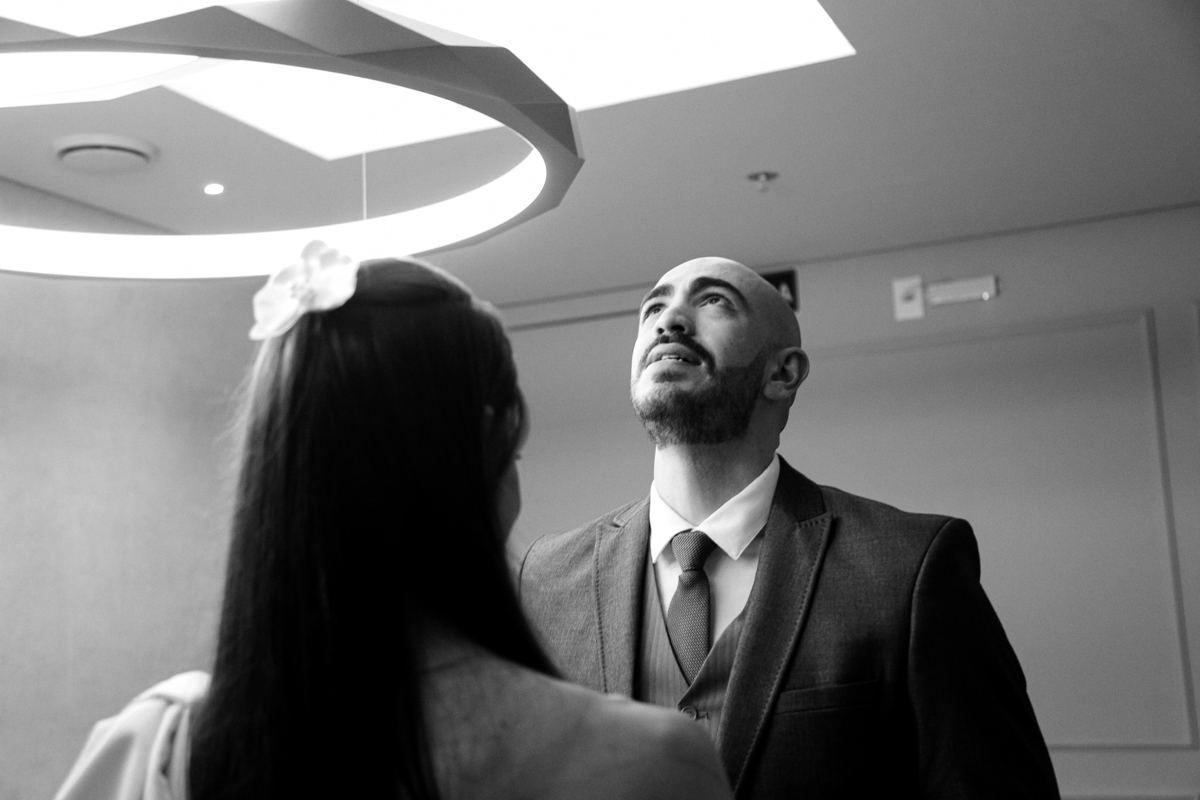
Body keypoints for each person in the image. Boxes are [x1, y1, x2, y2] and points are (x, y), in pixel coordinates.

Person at [53, 243, 732, 800]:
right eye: (517, 452)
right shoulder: (650, 764)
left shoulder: (163, 750)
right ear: (487, 448)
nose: (671, 323)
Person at [518, 256, 1061, 798]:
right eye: (653, 309)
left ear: (783, 373)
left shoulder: (910, 568)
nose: (669, 320)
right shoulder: (546, 578)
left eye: (713, 301)